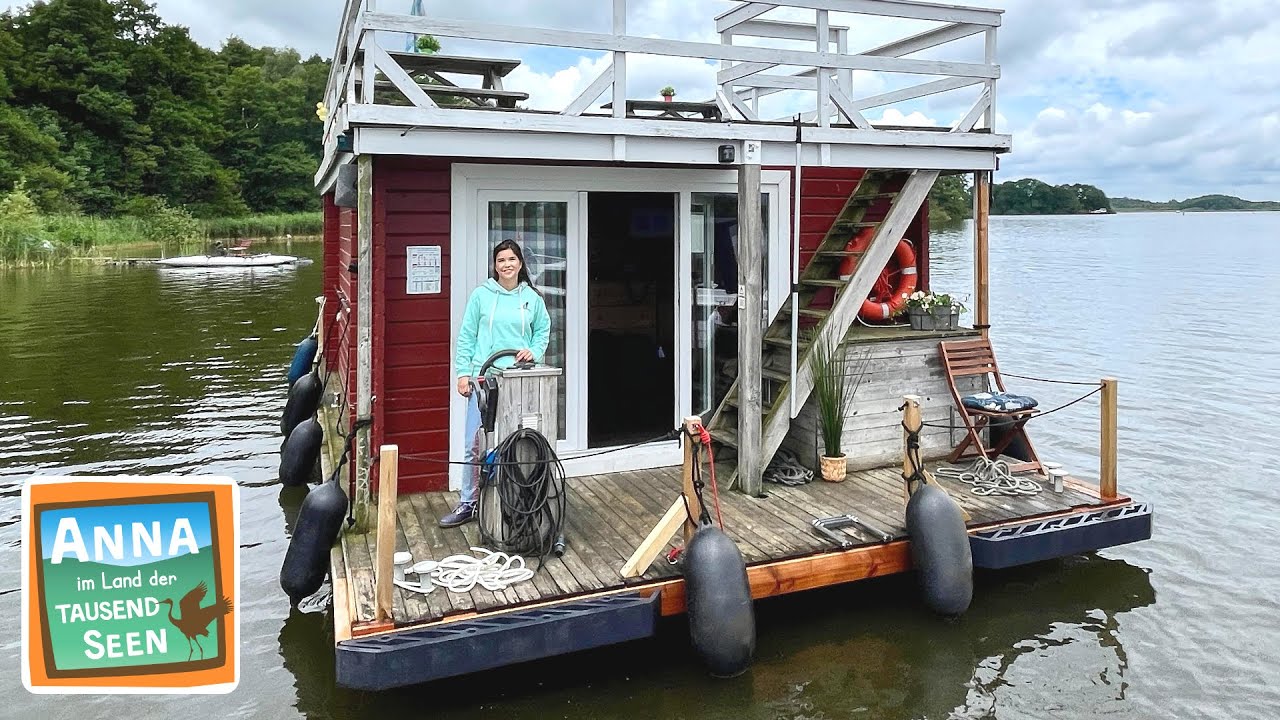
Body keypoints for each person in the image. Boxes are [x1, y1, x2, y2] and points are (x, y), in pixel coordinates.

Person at [442, 239, 552, 528]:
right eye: (501, 260)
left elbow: (543, 330)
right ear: (495, 265)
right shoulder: (481, 296)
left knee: (514, 444)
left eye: (512, 259)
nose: (507, 264)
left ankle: (511, 499)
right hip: (483, 380)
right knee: (473, 445)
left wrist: (535, 351)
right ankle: (469, 502)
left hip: (518, 381)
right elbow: (466, 336)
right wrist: (462, 373)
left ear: (520, 264)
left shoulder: (531, 298)